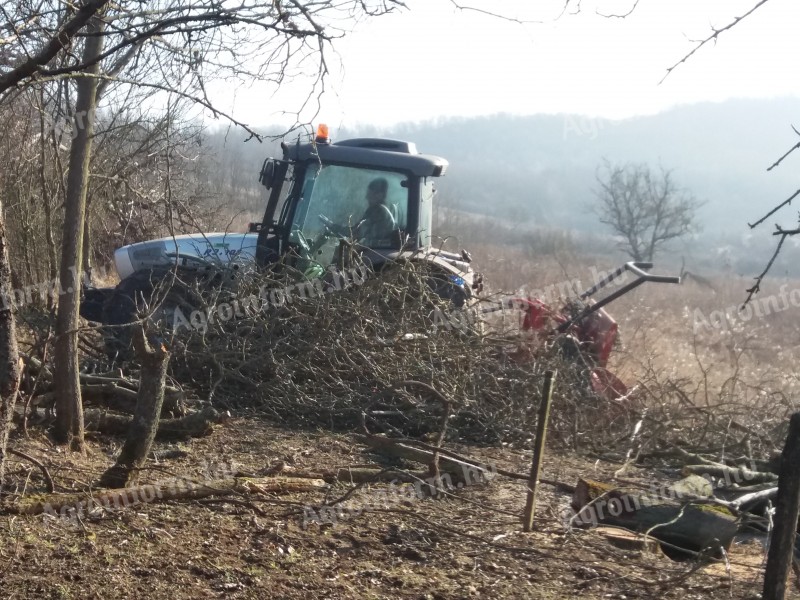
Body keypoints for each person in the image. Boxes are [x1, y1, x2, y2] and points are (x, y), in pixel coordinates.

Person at [353, 177, 396, 245]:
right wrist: (331, 225)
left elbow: (376, 242)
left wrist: (358, 242)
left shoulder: (382, 215)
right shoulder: (371, 211)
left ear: (379, 195)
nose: (366, 197)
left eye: (370, 194)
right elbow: (355, 230)